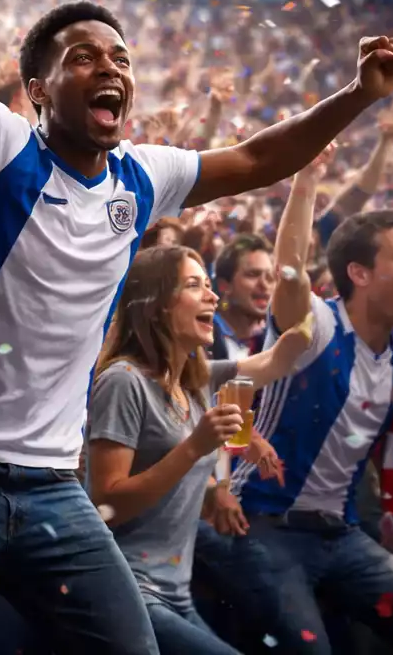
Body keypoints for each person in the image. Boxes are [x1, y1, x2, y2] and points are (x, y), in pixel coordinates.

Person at [0, 0, 393, 654]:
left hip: (53, 487)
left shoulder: (139, 173)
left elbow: (259, 156)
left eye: (119, 59)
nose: (110, 69)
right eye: (83, 58)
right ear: (36, 88)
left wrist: (358, 95)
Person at [224, 208, 393, 653]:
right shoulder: (317, 325)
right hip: (267, 528)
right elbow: (289, 272)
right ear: (359, 273)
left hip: (343, 535)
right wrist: (307, 178)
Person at [88, 238, 313, 655]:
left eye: (209, 284)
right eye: (195, 285)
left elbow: (282, 358)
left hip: (175, 591)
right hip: (126, 590)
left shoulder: (198, 377)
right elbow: (105, 505)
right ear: (156, 303)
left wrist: (298, 290)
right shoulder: (123, 381)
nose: (212, 295)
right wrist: (194, 447)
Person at [209, 235, 275, 360]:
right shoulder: (203, 338)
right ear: (224, 286)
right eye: (253, 275)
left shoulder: (271, 338)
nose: (264, 284)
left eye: (270, 277)